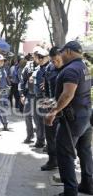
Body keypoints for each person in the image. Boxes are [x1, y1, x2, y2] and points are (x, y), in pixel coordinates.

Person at [45, 41, 93, 196]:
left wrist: (54, 111)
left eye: (63, 52)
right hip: (85, 116)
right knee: (84, 151)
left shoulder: (71, 69)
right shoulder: (83, 67)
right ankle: (87, 184)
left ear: (70, 52)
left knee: (64, 153)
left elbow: (68, 94)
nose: (61, 55)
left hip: (72, 120)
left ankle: (70, 191)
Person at [40, 46, 63, 171]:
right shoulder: (50, 68)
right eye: (53, 61)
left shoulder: (68, 68)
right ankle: (52, 160)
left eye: (57, 60)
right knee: (50, 134)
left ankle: (65, 161)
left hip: (65, 108)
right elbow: (48, 86)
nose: (55, 63)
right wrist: (48, 101)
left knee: (63, 138)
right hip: (52, 105)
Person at [19, 46, 41, 144]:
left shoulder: (45, 65)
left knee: (38, 118)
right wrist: (22, 95)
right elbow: (22, 81)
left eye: (38, 55)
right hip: (30, 94)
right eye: (35, 55)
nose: (36, 57)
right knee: (27, 115)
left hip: (41, 96)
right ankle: (30, 135)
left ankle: (40, 138)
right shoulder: (28, 67)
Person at [32, 47, 50, 148]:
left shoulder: (51, 68)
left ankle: (49, 143)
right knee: (38, 120)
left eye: (42, 57)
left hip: (46, 97)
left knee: (47, 120)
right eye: (38, 57)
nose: (39, 59)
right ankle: (40, 140)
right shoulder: (37, 68)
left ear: (47, 57)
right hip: (37, 97)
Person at [0, 54, 10, 131]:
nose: (2, 62)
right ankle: (4, 123)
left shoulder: (3, 69)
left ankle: (5, 123)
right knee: (0, 108)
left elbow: (5, 79)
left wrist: (8, 86)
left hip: (4, 91)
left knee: (4, 107)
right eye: (0, 60)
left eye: (3, 60)